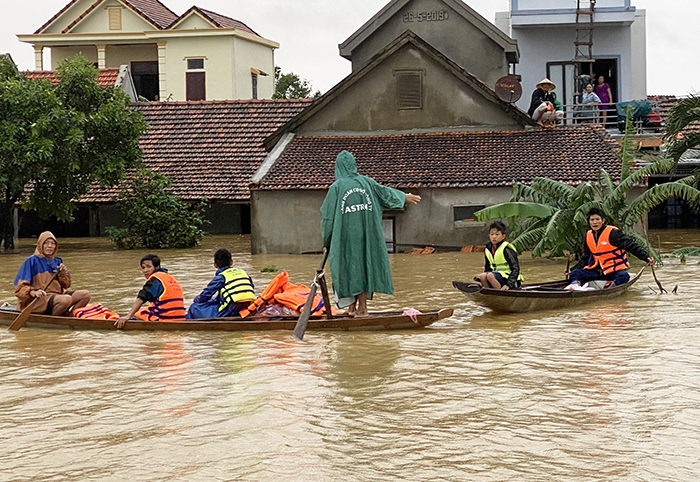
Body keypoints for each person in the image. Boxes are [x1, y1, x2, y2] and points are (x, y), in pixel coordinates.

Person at [320, 150, 421, 317]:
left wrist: (326, 241)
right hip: (367, 237)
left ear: (338, 167)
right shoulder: (367, 183)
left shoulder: (336, 188)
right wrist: (403, 197)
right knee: (364, 268)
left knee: (346, 269)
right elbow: (385, 193)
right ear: (353, 165)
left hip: (344, 239)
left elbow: (328, 218)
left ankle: (358, 309)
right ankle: (358, 308)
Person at [566, 208, 654, 288]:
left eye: (597, 219)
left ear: (603, 220)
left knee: (624, 276)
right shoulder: (588, 235)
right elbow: (586, 256)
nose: (595, 222)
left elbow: (631, 246)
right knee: (575, 274)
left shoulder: (613, 233)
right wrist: (572, 269)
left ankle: (610, 287)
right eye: (592, 220)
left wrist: (646, 257)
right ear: (589, 222)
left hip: (613, 271)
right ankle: (576, 288)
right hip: (596, 271)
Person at [14, 231, 90, 316]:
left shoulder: (58, 261)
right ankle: (54, 318)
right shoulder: (31, 261)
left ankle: (70, 316)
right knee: (66, 299)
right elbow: (19, 289)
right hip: (39, 299)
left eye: (52, 243)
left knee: (85, 295)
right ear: (40, 245)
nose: (50, 246)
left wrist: (63, 274)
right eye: (46, 243)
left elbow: (66, 285)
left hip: (58, 296)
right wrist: (33, 292)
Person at [116, 254, 186, 328]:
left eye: (149, 267)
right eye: (143, 268)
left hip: (165, 319)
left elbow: (142, 297)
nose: (145, 270)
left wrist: (128, 316)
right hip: (180, 317)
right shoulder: (170, 278)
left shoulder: (156, 279)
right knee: (147, 307)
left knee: (138, 314)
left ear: (157, 267)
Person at [186, 248, 255, 319]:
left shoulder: (221, 277)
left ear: (215, 265)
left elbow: (206, 294)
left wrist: (197, 300)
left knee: (194, 307)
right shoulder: (243, 273)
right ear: (231, 262)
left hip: (231, 309)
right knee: (214, 301)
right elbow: (250, 287)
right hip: (248, 307)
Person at [477, 221, 523, 290]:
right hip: (496, 277)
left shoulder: (506, 249)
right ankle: (489, 294)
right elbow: (488, 268)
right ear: (489, 236)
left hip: (510, 280)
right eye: (492, 234)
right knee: (483, 276)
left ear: (503, 236)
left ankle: (500, 293)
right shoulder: (488, 249)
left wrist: (508, 284)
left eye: (497, 234)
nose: (494, 237)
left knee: (490, 276)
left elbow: (515, 268)